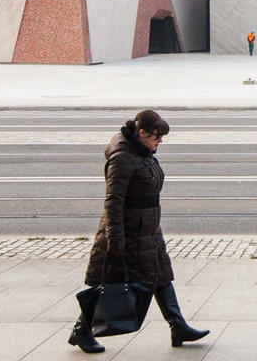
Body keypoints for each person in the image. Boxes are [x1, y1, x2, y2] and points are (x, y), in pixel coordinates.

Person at [69, 110, 209, 354]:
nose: (160, 142)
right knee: (110, 282)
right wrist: (115, 238)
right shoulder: (123, 158)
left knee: (161, 276)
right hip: (127, 231)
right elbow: (113, 200)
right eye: (156, 137)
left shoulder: (143, 151)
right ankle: (82, 330)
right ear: (141, 133)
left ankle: (178, 326)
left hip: (148, 229)